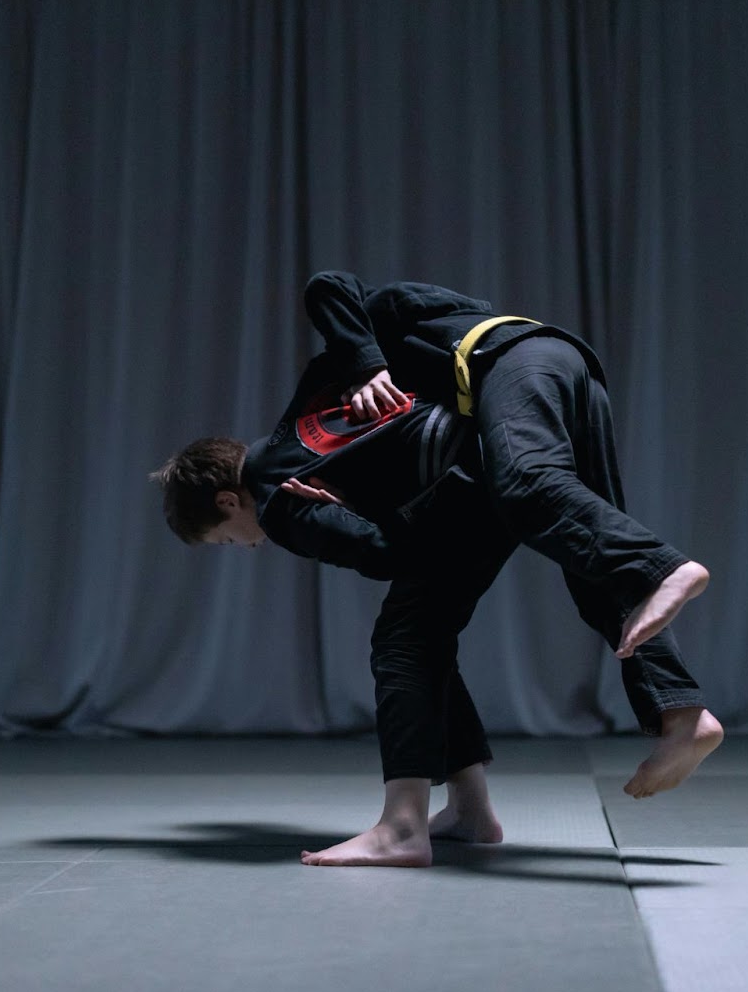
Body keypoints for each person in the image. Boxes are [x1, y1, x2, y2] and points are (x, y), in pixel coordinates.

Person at [302, 271, 722, 794]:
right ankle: (683, 716)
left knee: (525, 484)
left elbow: (327, 284)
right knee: (591, 566)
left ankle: (665, 565)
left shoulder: (368, 334)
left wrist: (364, 367)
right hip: (566, 375)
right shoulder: (403, 371)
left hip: (514, 360)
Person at [152, 357, 520, 867]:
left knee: (402, 648)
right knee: (423, 643)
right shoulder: (297, 442)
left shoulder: (280, 500)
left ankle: (403, 829)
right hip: (480, 474)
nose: (242, 547)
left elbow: (386, 556)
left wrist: (336, 513)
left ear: (228, 501)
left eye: (224, 539)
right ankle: (470, 810)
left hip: (473, 487)